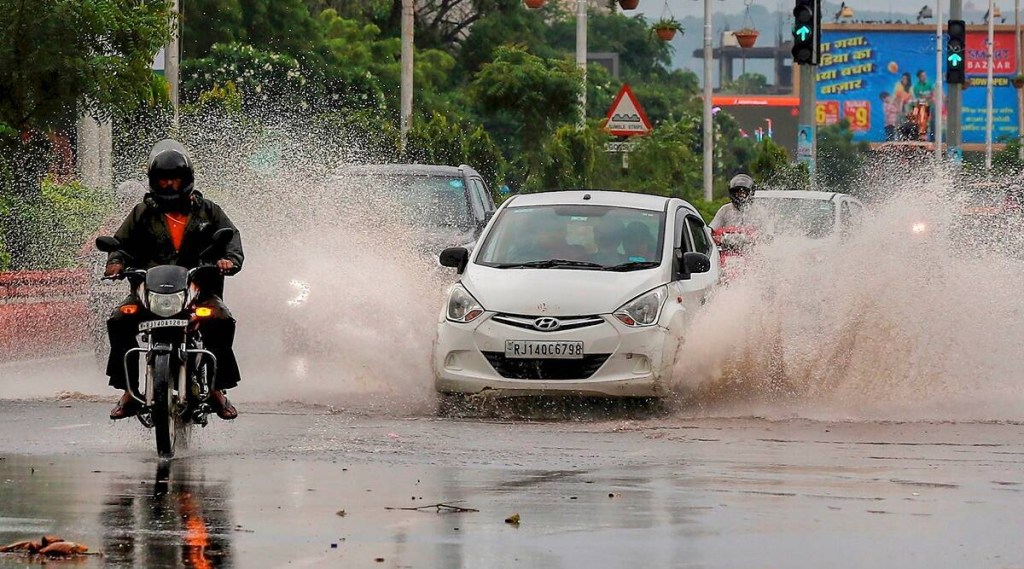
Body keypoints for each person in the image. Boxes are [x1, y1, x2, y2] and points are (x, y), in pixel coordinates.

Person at [104, 139, 244, 421]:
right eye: (163, 179)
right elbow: (121, 243)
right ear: (154, 181)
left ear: (186, 179)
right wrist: (116, 262)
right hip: (149, 292)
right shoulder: (142, 213)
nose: (169, 184)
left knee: (220, 320)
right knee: (119, 319)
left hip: (198, 291)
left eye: (175, 178)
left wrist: (228, 261)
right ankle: (130, 392)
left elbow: (232, 239)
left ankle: (217, 390)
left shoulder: (209, 211)